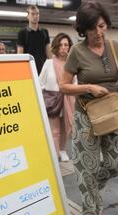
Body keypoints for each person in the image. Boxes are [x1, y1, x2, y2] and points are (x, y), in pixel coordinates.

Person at [59, 1, 118, 215]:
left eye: (102, 26)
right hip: (86, 118)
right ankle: (89, 209)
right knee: (86, 167)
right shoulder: (76, 52)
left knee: (117, 163)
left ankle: (90, 189)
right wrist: (88, 87)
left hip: (112, 113)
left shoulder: (114, 46)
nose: (99, 33)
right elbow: (63, 86)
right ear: (83, 29)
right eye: (93, 29)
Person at [39, 33, 76, 162]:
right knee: (55, 130)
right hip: (53, 101)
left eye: (66, 45)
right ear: (56, 46)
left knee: (65, 129)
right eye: (60, 44)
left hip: (68, 101)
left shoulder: (72, 65)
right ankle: (55, 154)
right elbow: (40, 83)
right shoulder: (49, 63)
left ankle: (62, 150)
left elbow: (76, 83)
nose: (63, 47)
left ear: (70, 47)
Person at [17, 5, 52, 74]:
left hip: (43, 70)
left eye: (37, 14)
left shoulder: (45, 32)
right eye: (33, 14)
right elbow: (19, 55)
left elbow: (49, 53)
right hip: (28, 71)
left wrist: (51, 67)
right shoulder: (22, 33)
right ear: (28, 16)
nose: (35, 16)